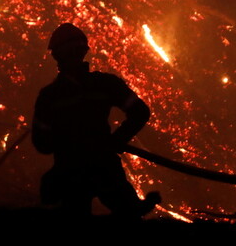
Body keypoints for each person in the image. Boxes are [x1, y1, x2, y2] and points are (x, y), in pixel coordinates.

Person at [31, 23, 160, 217]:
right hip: (101, 165)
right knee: (129, 212)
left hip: (72, 169)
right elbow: (140, 112)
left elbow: (42, 144)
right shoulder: (105, 84)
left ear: (55, 55)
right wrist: (117, 140)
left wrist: (64, 141)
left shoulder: (50, 96)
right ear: (84, 51)